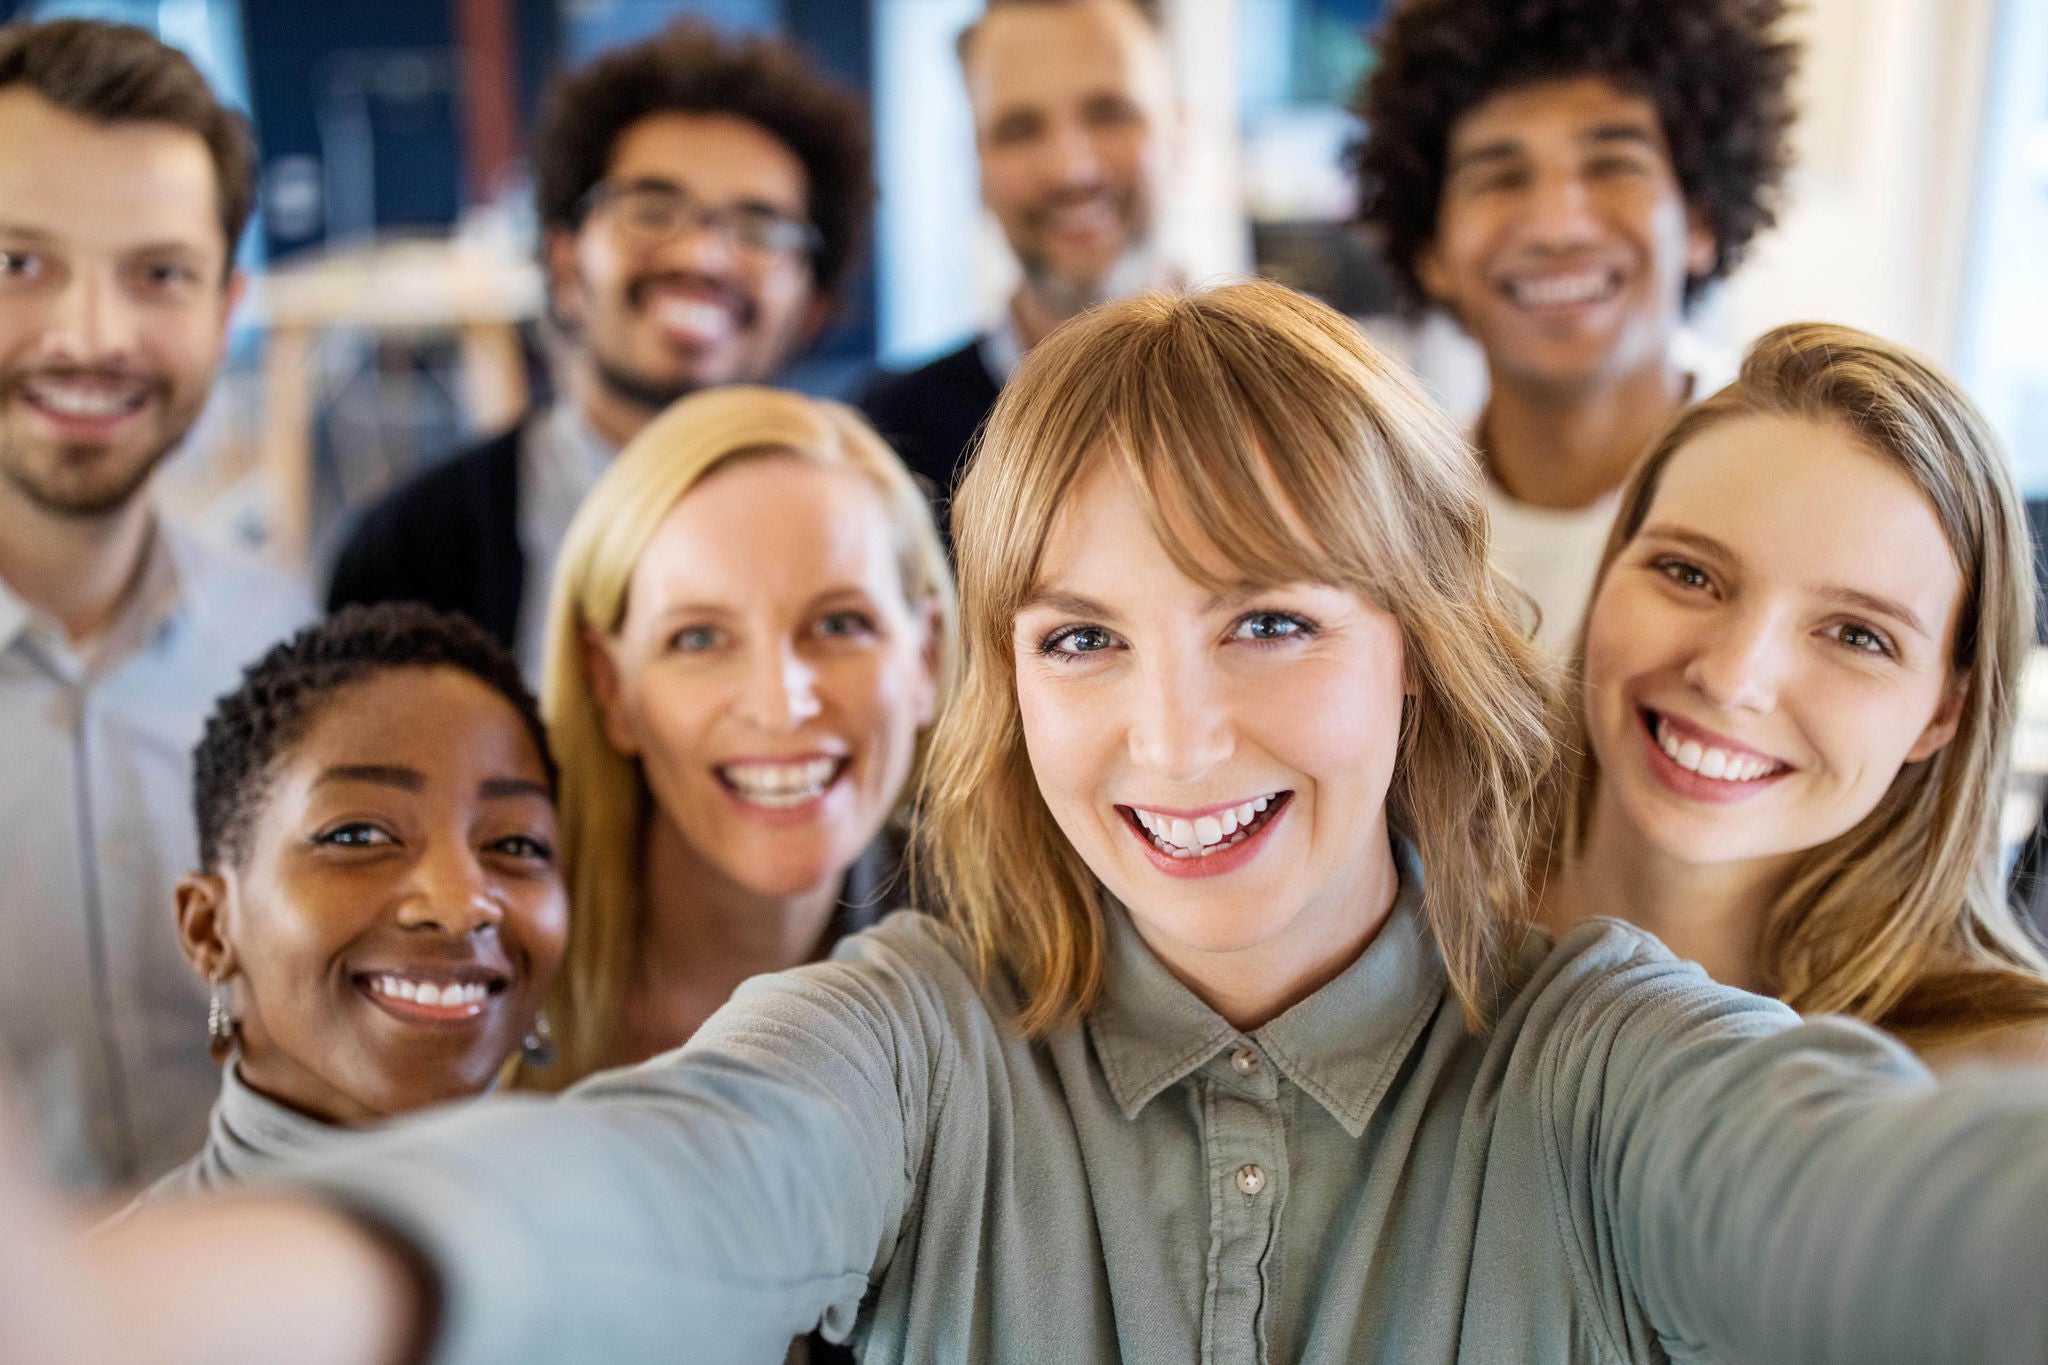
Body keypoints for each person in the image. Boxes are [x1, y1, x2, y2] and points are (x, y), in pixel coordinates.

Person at [25, 282, 2048, 1365]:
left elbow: (1883, 1208)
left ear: (1418, 647)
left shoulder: (1610, 1055)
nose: (1170, 734)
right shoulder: (911, 1031)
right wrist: (155, 1312)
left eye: (1265, 617)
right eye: (1082, 634)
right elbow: (644, 1195)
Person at [1536, 322, 2048, 1067]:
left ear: (1945, 711)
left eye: (1857, 635)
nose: (1732, 677)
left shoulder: (2003, 1082)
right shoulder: (1399, 916)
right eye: (1688, 573)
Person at [0, 18, 312, 1192]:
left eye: (159, 274)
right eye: (17, 263)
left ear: (226, 305)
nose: (90, 337)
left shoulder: (283, 642)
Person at [327, 21, 873, 677]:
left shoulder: (880, 538)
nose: (700, 253)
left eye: (759, 226)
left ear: (815, 304)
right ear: (563, 262)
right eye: (650, 207)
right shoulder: (408, 554)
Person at [516, 385, 953, 1092]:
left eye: (839, 624)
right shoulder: (496, 961)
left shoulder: (1011, 976)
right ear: (608, 684)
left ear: (925, 656)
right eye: (700, 638)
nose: (781, 706)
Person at [1353, 0, 1798, 652]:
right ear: (1432, 252)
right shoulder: (1381, 528)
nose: (1558, 224)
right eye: (1499, 176)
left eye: (1613, 165)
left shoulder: (1795, 500)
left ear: (1701, 219)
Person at [136, 603, 567, 1198]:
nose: (461, 902)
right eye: (358, 836)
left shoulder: (648, 1262)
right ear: (211, 929)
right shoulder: (100, 1289)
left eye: (516, 843)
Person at [859, 0, 1178, 508]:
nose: (1072, 170)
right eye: (1019, 129)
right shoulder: (885, 448)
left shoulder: (1296, 396)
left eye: (1109, 113)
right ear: (975, 165)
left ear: (1179, 130)